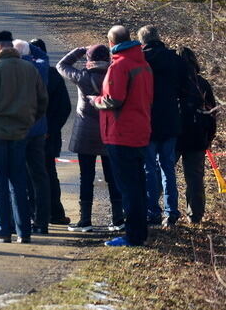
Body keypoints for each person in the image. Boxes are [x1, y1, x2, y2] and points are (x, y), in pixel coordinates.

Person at [0, 31, 47, 244]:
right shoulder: (29, 69)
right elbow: (42, 101)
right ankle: (24, 232)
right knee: (19, 182)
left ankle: (3, 229)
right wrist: (29, 122)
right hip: (21, 133)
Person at [93, 25, 154, 247]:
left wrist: (96, 101)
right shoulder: (143, 64)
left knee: (128, 188)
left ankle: (133, 236)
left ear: (111, 43)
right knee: (137, 185)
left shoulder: (120, 65)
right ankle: (140, 232)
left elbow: (113, 99)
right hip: (140, 130)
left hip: (120, 133)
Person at [57, 44, 124, 232]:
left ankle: (85, 220)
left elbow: (62, 65)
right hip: (109, 131)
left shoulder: (83, 77)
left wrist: (79, 50)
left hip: (85, 133)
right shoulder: (114, 75)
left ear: (89, 59)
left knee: (86, 176)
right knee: (113, 176)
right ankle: (118, 218)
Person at [139, 25, 199, 227]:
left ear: (142, 41)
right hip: (171, 120)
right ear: (158, 37)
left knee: (149, 168)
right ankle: (171, 210)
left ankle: (151, 210)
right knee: (168, 168)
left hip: (147, 119)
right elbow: (188, 91)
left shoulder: (140, 60)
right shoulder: (176, 60)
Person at [30, 38, 72, 226]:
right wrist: (51, 129)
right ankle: (55, 212)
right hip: (49, 136)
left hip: (32, 134)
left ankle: (35, 213)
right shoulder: (54, 75)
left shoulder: (25, 74)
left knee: (31, 175)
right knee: (49, 174)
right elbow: (65, 108)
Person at [14, 39, 52, 234]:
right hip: (38, 129)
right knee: (39, 177)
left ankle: (22, 218)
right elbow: (44, 56)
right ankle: (42, 221)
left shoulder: (12, 70)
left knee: (18, 176)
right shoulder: (40, 68)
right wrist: (30, 48)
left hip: (17, 130)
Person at [177, 47, 219, 224]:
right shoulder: (202, 83)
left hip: (174, 134)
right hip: (197, 136)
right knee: (195, 178)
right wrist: (209, 138)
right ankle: (195, 216)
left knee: (164, 174)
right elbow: (212, 114)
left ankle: (161, 213)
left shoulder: (173, 82)